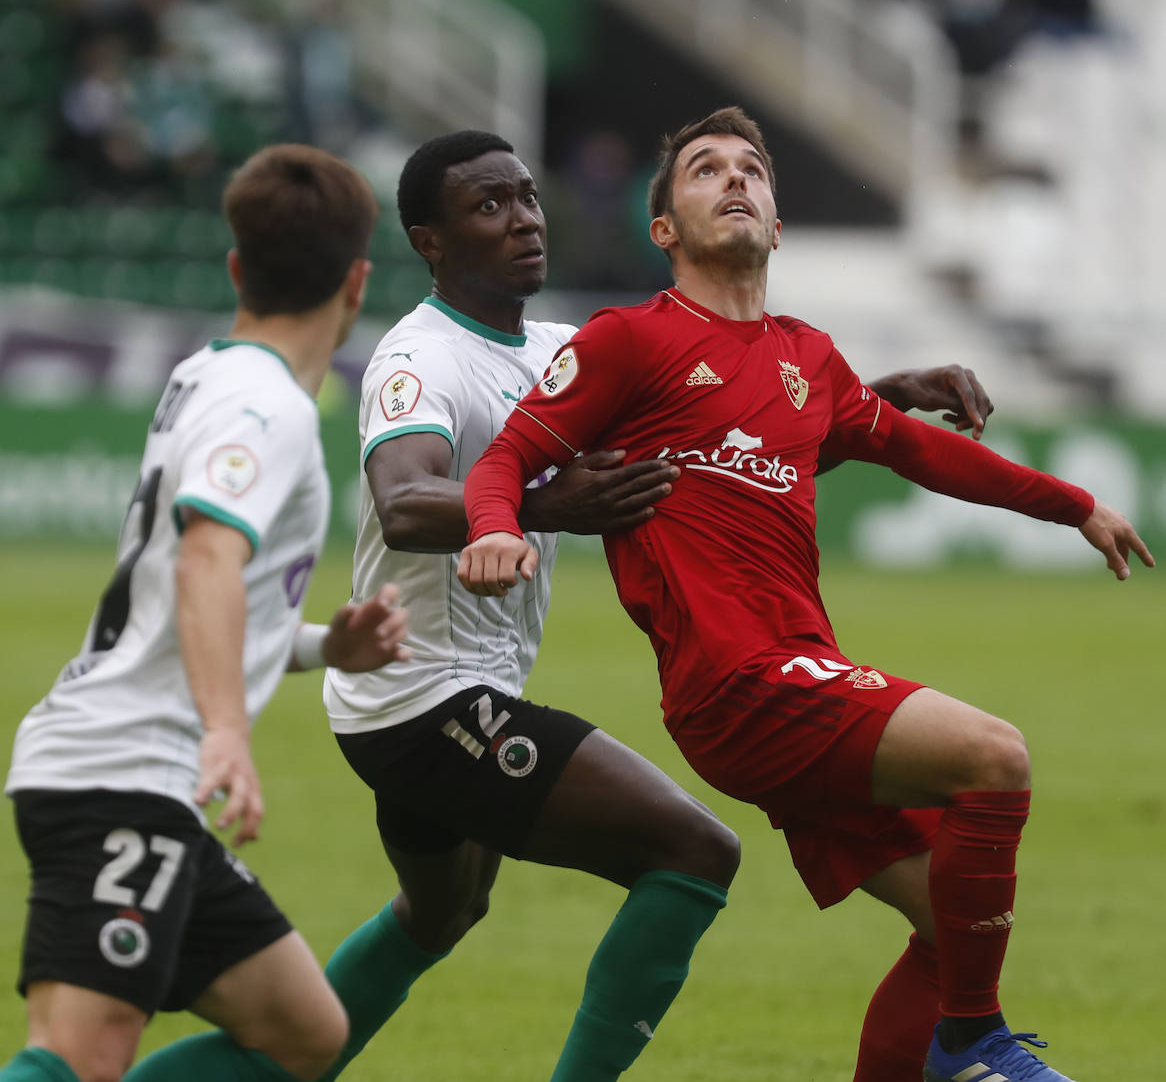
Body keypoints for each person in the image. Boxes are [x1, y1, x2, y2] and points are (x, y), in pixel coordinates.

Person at [459, 107, 1154, 1082]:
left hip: (801, 675)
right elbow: (506, 461)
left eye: (752, 169)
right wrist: (494, 527)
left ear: (778, 221)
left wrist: (1075, 505)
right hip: (737, 684)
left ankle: (953, 1031)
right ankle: (972, 1043)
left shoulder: (807, 360)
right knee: (994, 758)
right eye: (704, 171)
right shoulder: (629, 341)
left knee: (951, 922)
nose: (734, 180)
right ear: (663, 228)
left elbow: (925, 454)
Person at [289, 129, 992, 1082]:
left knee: (441, 914)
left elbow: (726, 442)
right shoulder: (419, 359)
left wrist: (871, 402)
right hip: (424, 697)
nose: (524, 220)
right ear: (432, 241)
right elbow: (405, 504)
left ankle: (268, 1067)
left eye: (528, 196)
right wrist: (546, 506)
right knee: (694, 850)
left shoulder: (556, 349)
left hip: (431, 694)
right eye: (488, 207)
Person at [2, 143, 411, 1082]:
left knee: (307, 1032)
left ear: (236, 267)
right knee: (77, 1056)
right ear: (358, 283)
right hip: (120, 770)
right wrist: (228, 729)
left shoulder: (204, 375)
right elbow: (203, 560)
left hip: (145, 775)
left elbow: (203, 587)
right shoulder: (263, 409)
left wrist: (318, 644)